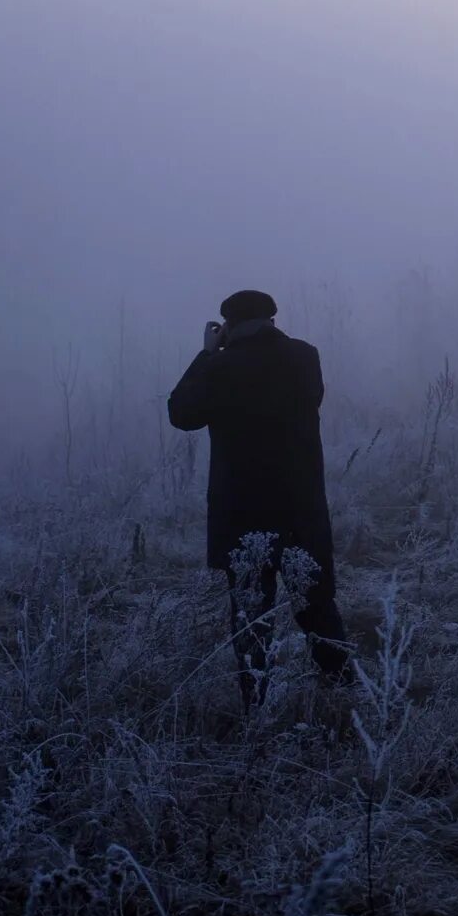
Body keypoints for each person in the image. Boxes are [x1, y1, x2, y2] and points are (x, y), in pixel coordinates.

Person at [166, 288, 352, 702]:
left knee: (252, 614)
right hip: (302, 509)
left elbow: (180, 413)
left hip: (242, 514)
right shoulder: (305, 357)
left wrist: (206, 354)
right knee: (318, 606)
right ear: (272, 319)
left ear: (229, 326)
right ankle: (345, 692)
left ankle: (257, 706)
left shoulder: (220, 368)